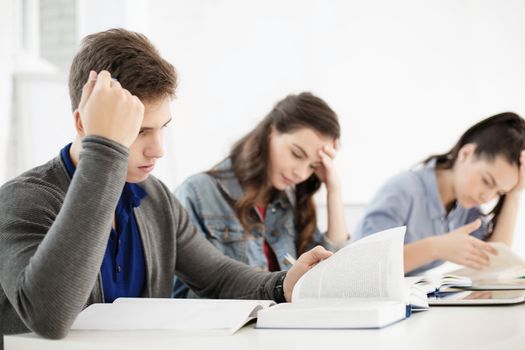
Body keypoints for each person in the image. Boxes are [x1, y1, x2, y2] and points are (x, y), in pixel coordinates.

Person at [0, 29, 331, 339]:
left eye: (162, 129)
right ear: (84, 123)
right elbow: (49, 317)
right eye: (141, 131)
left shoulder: (154, 197)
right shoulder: (22, 201)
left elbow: (217, 277)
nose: (158, 149)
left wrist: (282, 284)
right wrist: (104, 147)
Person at [172, 92, 350, 298]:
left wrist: (333, 190)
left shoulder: (289, 201)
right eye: (297, 154)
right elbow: (182, 295)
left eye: (313, 166)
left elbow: (330, 275)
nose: (301, 173)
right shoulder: (198, 192)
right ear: (271, 131)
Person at [354, 112, 525, 275]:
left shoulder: (465, 208)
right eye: (487, 181)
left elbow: (493, 262)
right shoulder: (404, 190)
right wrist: (437, 247)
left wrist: (514, 195)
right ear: (466, 154)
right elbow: (367, 266)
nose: (487, 197)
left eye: (500, 192)